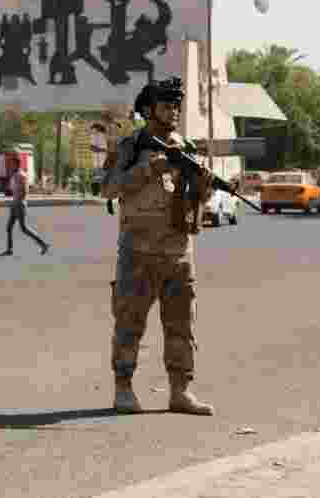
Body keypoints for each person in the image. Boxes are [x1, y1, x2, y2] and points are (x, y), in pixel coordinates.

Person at [101, 77, 215, 416]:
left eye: (177, 105)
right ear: (149, 110)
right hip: (138, 252)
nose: (174, 111)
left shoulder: (187, 148)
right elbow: (109, 188)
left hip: (179, 254)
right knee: (129, 322)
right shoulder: (131, 147)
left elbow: (198, 201)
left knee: (181, 325)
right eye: (167, 105)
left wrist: (205, 187)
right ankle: (123, 388)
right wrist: (151, 168)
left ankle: (180, 391)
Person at [0, 157, 50, 256]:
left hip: (19, 204)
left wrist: (19, 201)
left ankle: (43, 244)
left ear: (17, 164)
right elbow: (13, 189)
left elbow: (25, 191)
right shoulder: (14, 175)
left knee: (24, 228)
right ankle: (9, 249)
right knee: (9, 228)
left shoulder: (21, 175)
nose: (10, 166)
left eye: (12, 164)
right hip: (14, 204)